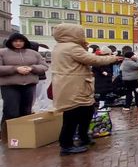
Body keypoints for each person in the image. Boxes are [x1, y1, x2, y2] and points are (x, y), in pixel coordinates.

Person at [51, 24, 121, 155]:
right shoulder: (71, 47)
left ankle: (83, 137)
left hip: (73, 84)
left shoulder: (62, 46)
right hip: (73, 85)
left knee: (85, 111)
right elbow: (92, 59)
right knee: (72, 115)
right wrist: (113, 58)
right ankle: (66, 145)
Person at [0, 33, 49, 135]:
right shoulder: (2, 53)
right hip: (10, 85)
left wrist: (32, 68)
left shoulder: (33, 53)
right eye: (15, 41)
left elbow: (44, 66)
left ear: (25, 42)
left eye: (20, 41)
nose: (18, 43)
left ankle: (23, 134)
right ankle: (6, 133)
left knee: (26, 110)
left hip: (29, 85)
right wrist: (15, 69)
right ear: (10, 42)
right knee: (11, 110)